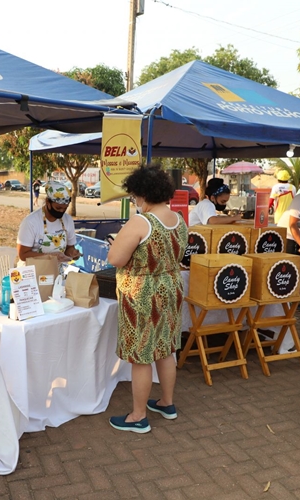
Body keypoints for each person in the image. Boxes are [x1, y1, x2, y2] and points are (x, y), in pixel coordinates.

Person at [106, 165, 188, 433]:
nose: (134, 201)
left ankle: (138, 416)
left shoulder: (141, 222)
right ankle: (167, 402)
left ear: (142, 194)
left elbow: (116, 259)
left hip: (142, 292)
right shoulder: (179, 220)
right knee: (165, 348)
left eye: (134, 196)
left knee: (141, 355)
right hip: (171, 287)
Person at [17, 181, 80, 265]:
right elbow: (23, 254)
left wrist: (73, 253)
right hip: (31, 272)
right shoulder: (30, 222)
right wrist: (49, 256)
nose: (61, 211)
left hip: (56, 272)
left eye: (65, 208)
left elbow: (69, 248)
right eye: (58, 208)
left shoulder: (68, 220)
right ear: (48, 202)